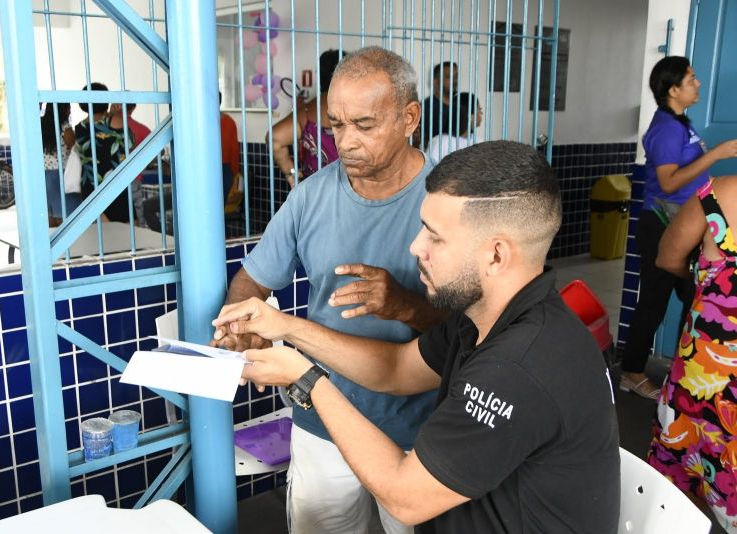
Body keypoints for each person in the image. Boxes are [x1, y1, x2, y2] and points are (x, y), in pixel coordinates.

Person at [214, 141, 621, 533]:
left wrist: (304, 378)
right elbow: (395, 368)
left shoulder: (520, 366)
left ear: (496, 255)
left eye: (434, 236)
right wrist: (285, 326)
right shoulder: (483, 317)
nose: (415, 247)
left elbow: (403, 496)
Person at [212, 46, 445, 534]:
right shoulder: (310, 196)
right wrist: (240, 322)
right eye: (336, 124)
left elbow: (472, 331)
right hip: (322, 417)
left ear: (409, 117)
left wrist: (404, 305)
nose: (345, 142)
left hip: (420, 429)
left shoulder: (447, 201)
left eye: (364, 124)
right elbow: (254, 278)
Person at [620, 56, 737, 399]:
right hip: (661, 226)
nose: (697, 83)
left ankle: (686, 371)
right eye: (691, 79)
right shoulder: (665, 129)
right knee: (653, 303)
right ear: (673, 89)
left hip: (684, 226)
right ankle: (632, 371)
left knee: (694, 300)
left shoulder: (681, 123)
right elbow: (668, 183)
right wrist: (715, 154)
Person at [651, 175, 737, 531]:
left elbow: (668, 257)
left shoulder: (721, 194)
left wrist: (711, 281)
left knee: (669, 508)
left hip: (697, 384)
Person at [143, 92, 241, 233]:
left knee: (191, 214)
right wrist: (231, 176)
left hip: (200, 173)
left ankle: (169, 240)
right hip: (222, 173)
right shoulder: (228, 121)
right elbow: (234, 153)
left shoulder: (196, 121)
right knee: (214, 216)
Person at [267, 49, 342, 188]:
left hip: (314, 191)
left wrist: (291, 174)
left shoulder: (306, 111)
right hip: (352, 191)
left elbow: (274, 138)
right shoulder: (358, 106)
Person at [74, 82, 135, 223]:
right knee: (123, 235)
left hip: (89, 186)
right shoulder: (115, 120)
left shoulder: (79, 128)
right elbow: (130, 143)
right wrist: (116, 113)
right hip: (114, 183)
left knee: (99, 236)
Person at [40, 102, 80, 226]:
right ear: (63, 109)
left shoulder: (40, 125)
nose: (70, 110)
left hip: (44, 174)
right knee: (66, 215)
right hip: (62, 174)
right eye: (68, 107)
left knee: (50, 214)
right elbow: (74, 146)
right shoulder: (64, 126)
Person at [427, 92, 482, 163]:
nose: (481, 114)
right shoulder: (441, 142)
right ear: (470, 115)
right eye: (479, 110)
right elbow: (430, 169)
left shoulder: (478, 141)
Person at [416, 62, 457, 151]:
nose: (454, 81)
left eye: (456, 77)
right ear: (436, 82)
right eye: (449, 77)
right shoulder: (425, 108)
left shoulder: (462, 105)